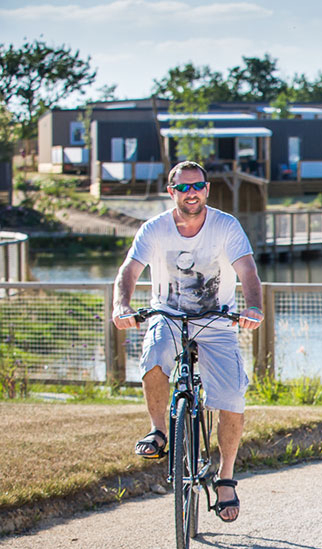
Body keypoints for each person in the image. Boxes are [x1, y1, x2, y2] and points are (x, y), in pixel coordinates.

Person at [111, 161, 263, 523]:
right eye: (183, 187)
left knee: (230, 396)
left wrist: (253, 307)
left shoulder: (226, 226)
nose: (191, 192)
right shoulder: (156, 229)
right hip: (168, 314)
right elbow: (129, 271)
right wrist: (121, 304)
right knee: (153, 358)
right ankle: (159, 430)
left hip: (216, 321)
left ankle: (225, 477)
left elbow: (248, 272)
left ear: (207, 189)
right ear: (171, 192)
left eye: (197, 186)